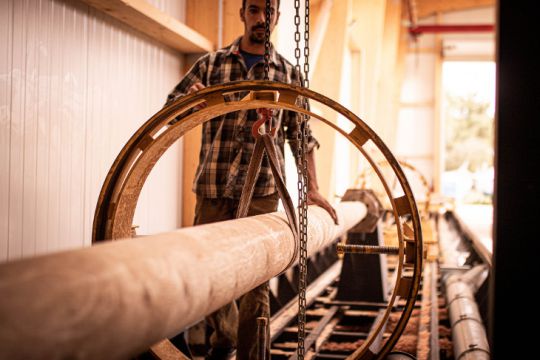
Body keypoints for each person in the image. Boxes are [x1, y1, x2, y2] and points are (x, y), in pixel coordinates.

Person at [166, 0, 337, 358]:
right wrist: (189, 104)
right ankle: (225, 337)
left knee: (256, 284)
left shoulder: (289, 75)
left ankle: (250, 356)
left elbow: (301, 136)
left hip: (261, 192)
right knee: (209, 273)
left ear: (277, 16)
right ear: (242, 13)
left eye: (269, 12)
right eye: (255, 10)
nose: (262, 18)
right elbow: (171, 109)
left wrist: (314, 190)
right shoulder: (211, 65)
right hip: (213, 188)